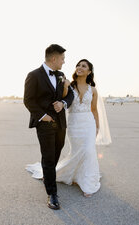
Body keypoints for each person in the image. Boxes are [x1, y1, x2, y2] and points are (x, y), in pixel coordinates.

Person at [26, 59, 111, 198]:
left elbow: (94, 110)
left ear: (89, 72)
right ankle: (62, 173)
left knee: (89, 150)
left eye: (84, 66)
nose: (80, 67)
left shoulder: (93, 89)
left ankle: (88, 183)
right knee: (77, 151)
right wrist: (65, 87)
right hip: (74, 123)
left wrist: (97, 127)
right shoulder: (68, 84)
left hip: (88, 123)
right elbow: (64, 99)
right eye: (78, 65)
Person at [23, 44, 74, 210]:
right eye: (62, 59)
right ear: (53, 58)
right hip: (44, 123)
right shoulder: (34, 75)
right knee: (49, 156)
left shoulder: (61, 75)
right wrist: (43, 117)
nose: (63, 62)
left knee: (58, 150)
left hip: (60, 122)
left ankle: (48, 175)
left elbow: (71, 94)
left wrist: (63, 103)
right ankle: (52, 193)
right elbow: (29, 100)